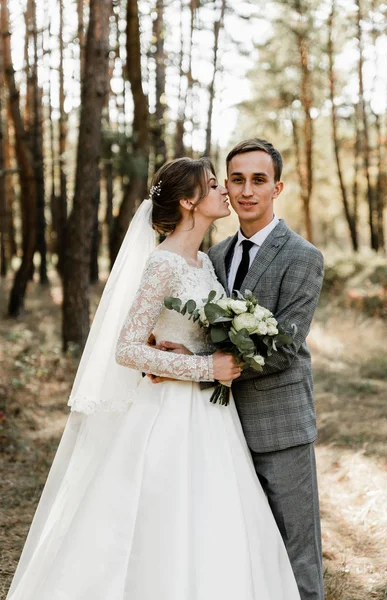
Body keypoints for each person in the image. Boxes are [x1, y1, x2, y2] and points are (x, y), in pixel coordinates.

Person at [6, 156, 300, 600]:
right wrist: (205, 367)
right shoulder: (163, 263)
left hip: (211, 417)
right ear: (188, 201)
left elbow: (184, 334)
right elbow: (126, 348)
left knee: (216, 516)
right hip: (167, 415)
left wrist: (201, 353)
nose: (226, 191)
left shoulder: (203, 263)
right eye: (214, 185)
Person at [155, 140, 325, 600]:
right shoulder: (214, 255)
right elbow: (196, 327)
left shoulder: (303, 257)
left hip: (278, 424)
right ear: (226, 187)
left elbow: (286, 347)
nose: (246, 190)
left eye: (258, 180)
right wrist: (170, 346)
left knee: (295, 551)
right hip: (215, 430)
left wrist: (204, 367)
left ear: (277, 187)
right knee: (240, 549)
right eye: (236, 179)